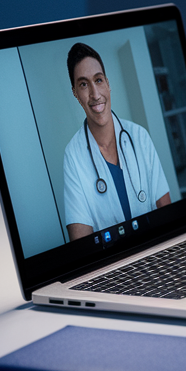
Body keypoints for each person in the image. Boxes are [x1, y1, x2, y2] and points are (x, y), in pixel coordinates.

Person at [62, 42, 171, 240]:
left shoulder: (140, 137)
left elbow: (166, 213)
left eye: (99, 80)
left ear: (108, 84)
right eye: (84, 84)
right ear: (75, 93)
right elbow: (81, 244)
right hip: (109, 262)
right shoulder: (73, 156)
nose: (95, 95)